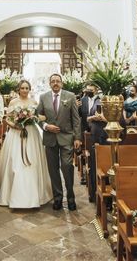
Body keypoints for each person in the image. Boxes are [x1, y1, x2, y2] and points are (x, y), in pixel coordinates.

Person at [0, 80, 53, 208]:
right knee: (15, 162)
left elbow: (39, 117)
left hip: (31, 134)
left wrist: (32, 119)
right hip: (16, 134)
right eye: (22, 88)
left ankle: (34, 196)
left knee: (32, 161)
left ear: (30, 89)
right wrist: (16, 126)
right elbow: (7, 119)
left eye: (27, 88)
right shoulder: (13, 102)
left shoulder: (34, 102)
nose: (25, 90)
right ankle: (12, 195)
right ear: (18, 89)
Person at [37, 73, 82, 211]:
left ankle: (70, 197)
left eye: (58, 81)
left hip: (66, 137)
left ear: (62, 83)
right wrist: (46, 126)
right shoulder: (43, 97)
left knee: (67, 166)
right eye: (53, 81)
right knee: (53, 169)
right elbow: (37, 117)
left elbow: (76, 119)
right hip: (50, 138)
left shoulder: (70, 96)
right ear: (50, 84)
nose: (55, 83)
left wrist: (77, 138)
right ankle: (57, 198)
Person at [81, 84, 107, 202]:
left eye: (92, 89)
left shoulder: (100, 100)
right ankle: (94, 194)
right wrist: (90, 119)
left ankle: (100, 195)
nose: (89, 91)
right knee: (94, 164)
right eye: (88, 89)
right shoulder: (83, 100)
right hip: (93, 135)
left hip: (103, 138)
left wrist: (101, 118)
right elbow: (84, 116)